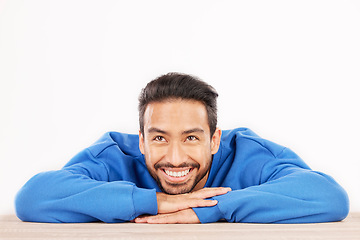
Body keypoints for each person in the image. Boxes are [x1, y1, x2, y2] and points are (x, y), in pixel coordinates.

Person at [15, 73, 349, 224]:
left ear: (214, 139)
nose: (175, 158)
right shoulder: (114, 154)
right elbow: (33, 198)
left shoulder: (249, 153)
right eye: (159, 138)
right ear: (141, 140)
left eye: (191, 137)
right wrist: (157, 203)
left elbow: (328, 197)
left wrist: (209, 209)